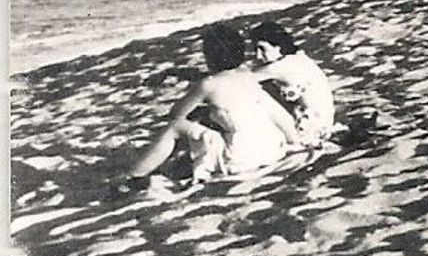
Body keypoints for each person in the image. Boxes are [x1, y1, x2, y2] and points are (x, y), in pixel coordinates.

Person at [115, 24, 300, 192]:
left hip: (241, 160)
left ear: (210, 56)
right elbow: (281, 116)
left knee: (176, 127)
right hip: (273, 150)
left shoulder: (207, 85)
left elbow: (175, 116)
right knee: (219, 120)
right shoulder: (248, 76)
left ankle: (133, 178)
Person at [248, 21, 336, 148]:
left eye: (262, 49)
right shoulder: (297, 59)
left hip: (307, 130)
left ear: (278, 46)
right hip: (322, 124)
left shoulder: (281, 66)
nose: (258, 55)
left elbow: (242, 78)